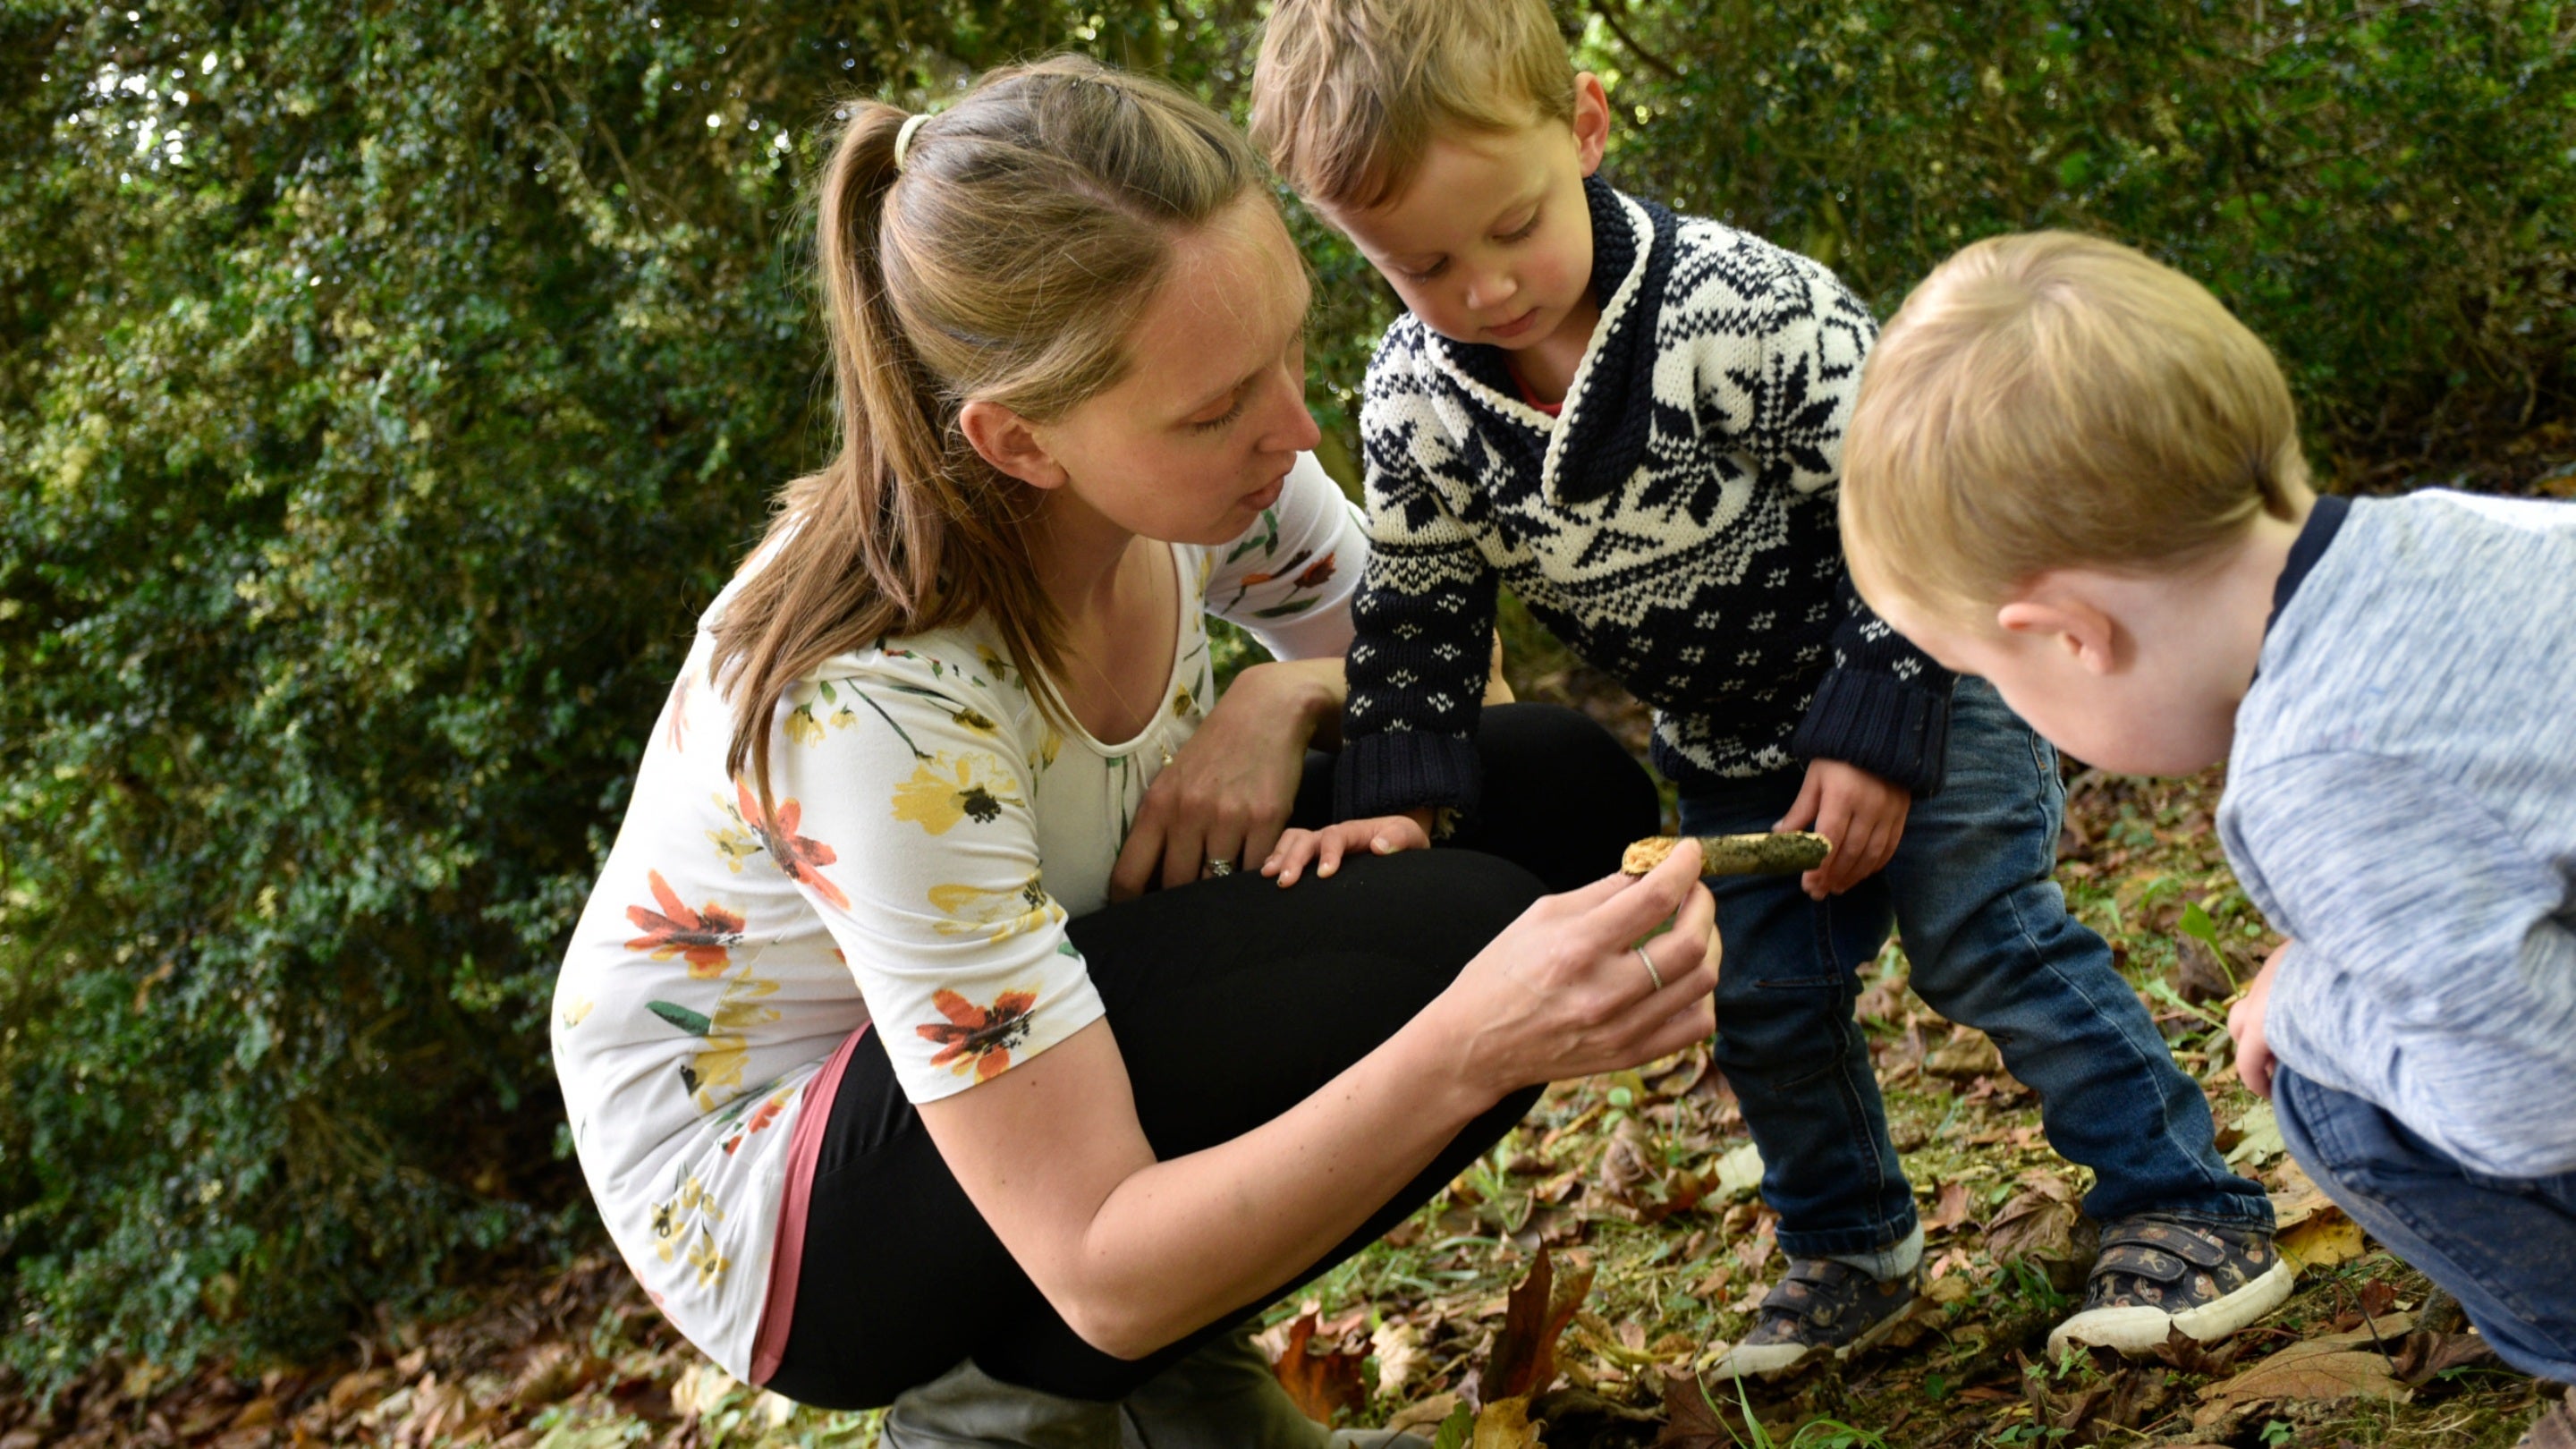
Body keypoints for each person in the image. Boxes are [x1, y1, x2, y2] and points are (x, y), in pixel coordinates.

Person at [549, 55, 1722, 1449]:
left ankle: (1167, 1377)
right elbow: (1098, 1262)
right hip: (785, 1203)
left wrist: (1279, 703)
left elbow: (1448, 674)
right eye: (1220, 406)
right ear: (1018, 442)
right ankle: (1013, 1405)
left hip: (1035, 987)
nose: (1293, 426)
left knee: (1551, 793)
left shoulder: (1213, 476)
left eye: (1287, 349)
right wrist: (1478, 1046)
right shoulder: (874, 707)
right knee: (1467, 948)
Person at [1246, 0, 2280, 1376]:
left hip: (1926, 668)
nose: (1486, 287)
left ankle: (2183, 1204)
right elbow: (1423, 605)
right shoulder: (1414, 404)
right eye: (1422, 263)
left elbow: (1907, 512)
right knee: (1766, 997)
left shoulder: (1745, 309)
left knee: (1984, 935)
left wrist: (1874, 730)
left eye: (1511, 228)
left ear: (1587, 127)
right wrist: (1395, 799)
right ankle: (1850, 1248)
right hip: (1732, 741)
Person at [1837, 230, 2576, 1446]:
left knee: (2332, 1093)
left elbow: (2531, 1105)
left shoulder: (2313, 771)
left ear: (2070, 635)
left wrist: (2305, 1008)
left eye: (1996, 677)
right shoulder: (2455, 536)